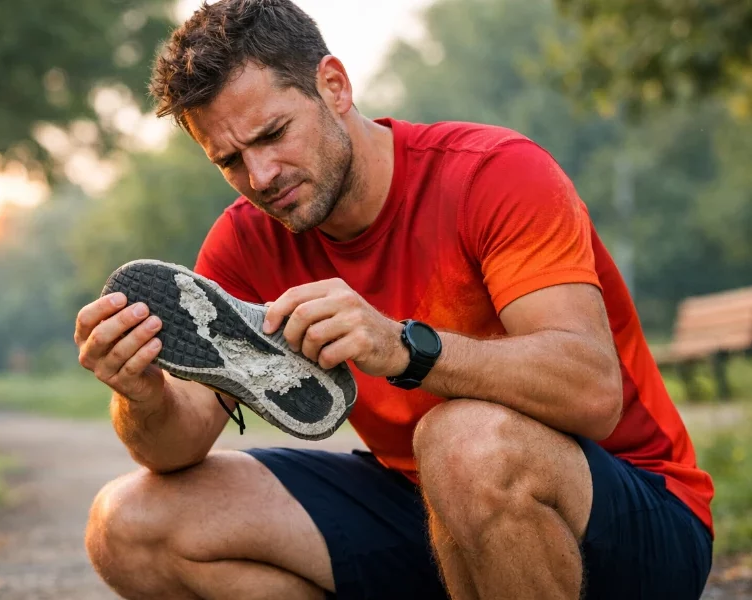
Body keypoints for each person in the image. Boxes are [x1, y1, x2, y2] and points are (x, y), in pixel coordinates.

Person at [74, 1, 714, 598]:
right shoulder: (247, 240)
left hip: (633, 508)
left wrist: (405, 347)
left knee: (459, 440)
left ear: (334, 85)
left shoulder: (493, 174)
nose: (260, 177)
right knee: (127, 523)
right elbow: (174, 448)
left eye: (273, 134)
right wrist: (143, 395)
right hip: (430, 512)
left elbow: (593, 393)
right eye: (230, 160)